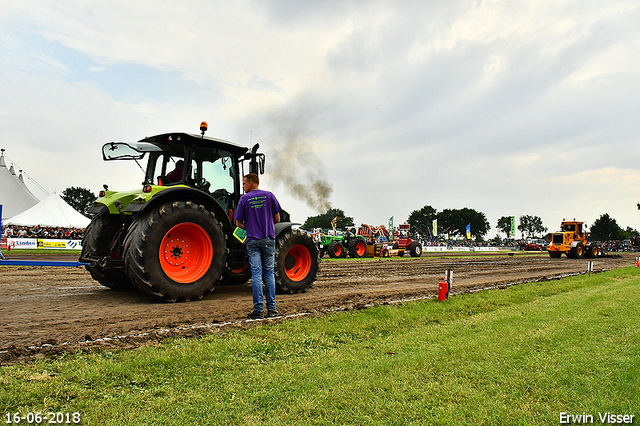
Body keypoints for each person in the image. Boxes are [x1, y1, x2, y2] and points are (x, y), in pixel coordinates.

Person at [235, 173, 282, 319]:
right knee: (268, 273)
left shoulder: (244, 199)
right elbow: (277, 218)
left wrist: (250, 227)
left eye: (244, 183)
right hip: (268, 239)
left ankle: (258, 310)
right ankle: (272, 309)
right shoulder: (269, 196)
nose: (243, 186)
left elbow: (238, 223)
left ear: (251, 183)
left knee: (256, 274)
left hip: (252, 241)